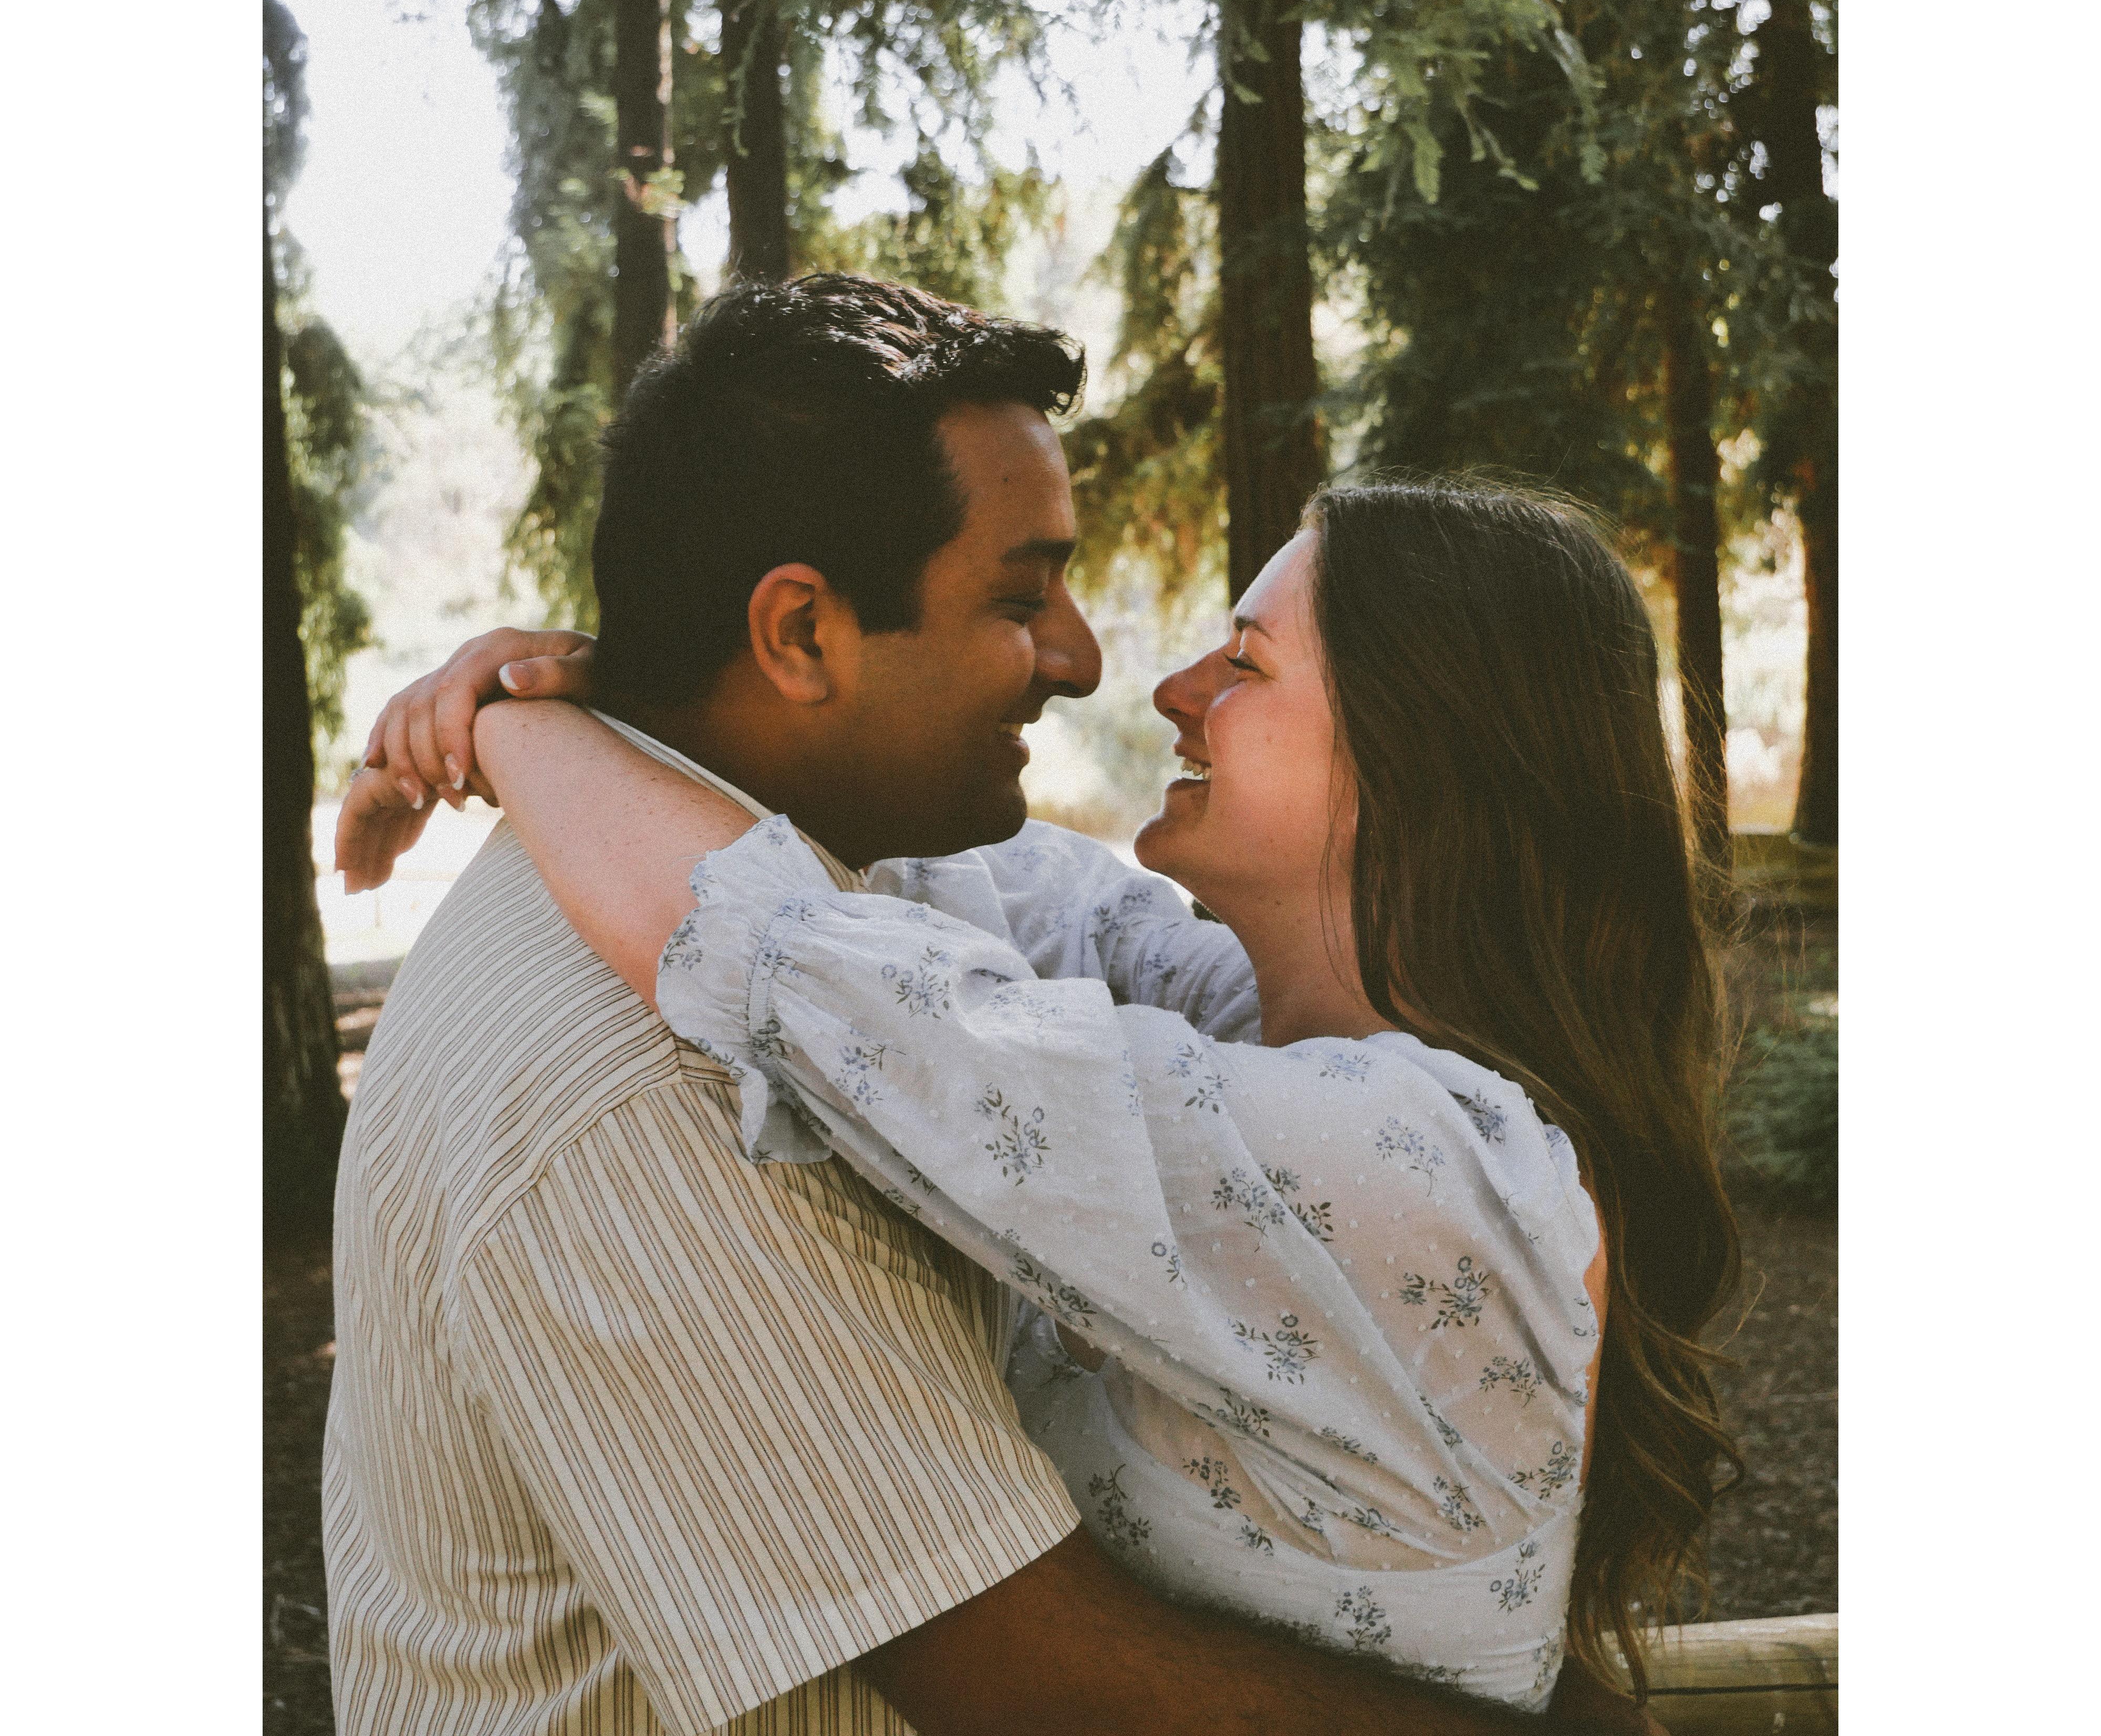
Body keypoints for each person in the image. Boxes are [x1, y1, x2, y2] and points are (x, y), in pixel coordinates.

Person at [326, 276, 1638, 1736]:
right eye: (1021, 599)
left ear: (1414, 765)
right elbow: (1028, 1679)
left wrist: (527, 726)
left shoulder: (873, 924)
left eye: (1248, 662)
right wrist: (549, 712)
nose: (1103, 667)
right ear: (799, 635)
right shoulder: (665, 1079)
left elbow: (820, 959)